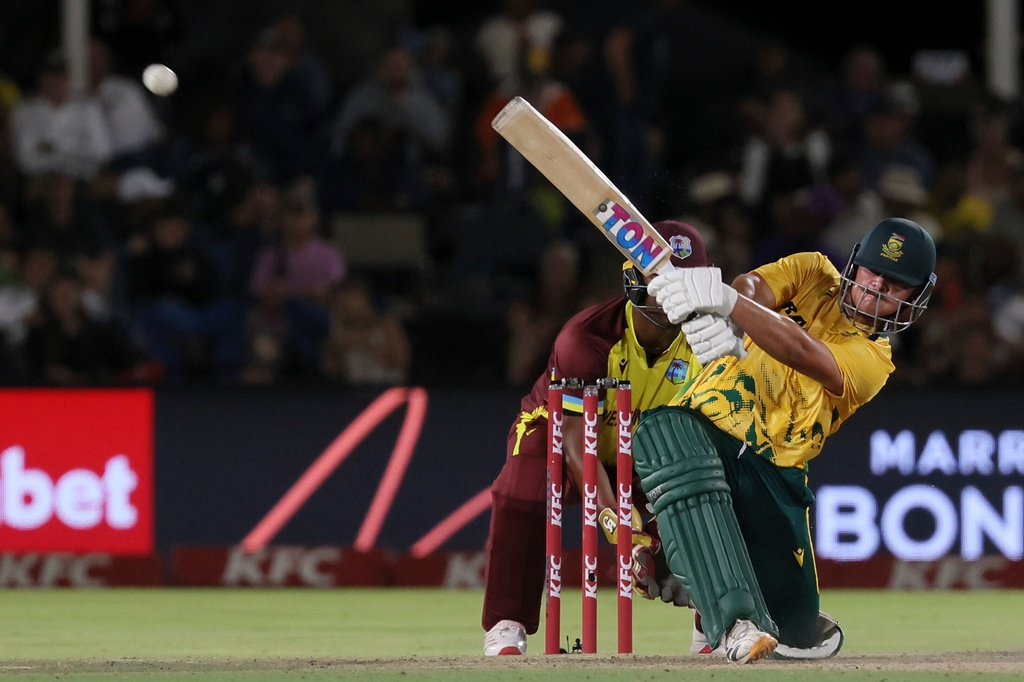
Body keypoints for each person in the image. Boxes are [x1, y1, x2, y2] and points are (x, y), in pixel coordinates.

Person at [633, 217, 938, 663]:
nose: (876, 286)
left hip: (773, 476)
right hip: (708, 430)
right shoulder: (813, 270)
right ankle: (732, 621)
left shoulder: (875, 362)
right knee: (661, 429)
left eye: (895, 284)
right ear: (855, 263)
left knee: (794, 634)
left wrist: (729, 304)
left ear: (915, 298)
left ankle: (691, 563)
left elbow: (801, 350)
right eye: (873, 270)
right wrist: (730, 318)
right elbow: (753, 284)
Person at [482, 220, 715, 656]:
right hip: (557, 436)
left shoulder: (708, 342)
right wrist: (619, 527)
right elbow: (575, 445)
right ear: (634, 277)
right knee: (521, 495)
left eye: (686, 283)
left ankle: (714, 622)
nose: (672, 296)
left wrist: (665, 532)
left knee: (710, 492)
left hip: (643, 444)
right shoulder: (586, 338)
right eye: (661, 281)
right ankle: (506, 622)